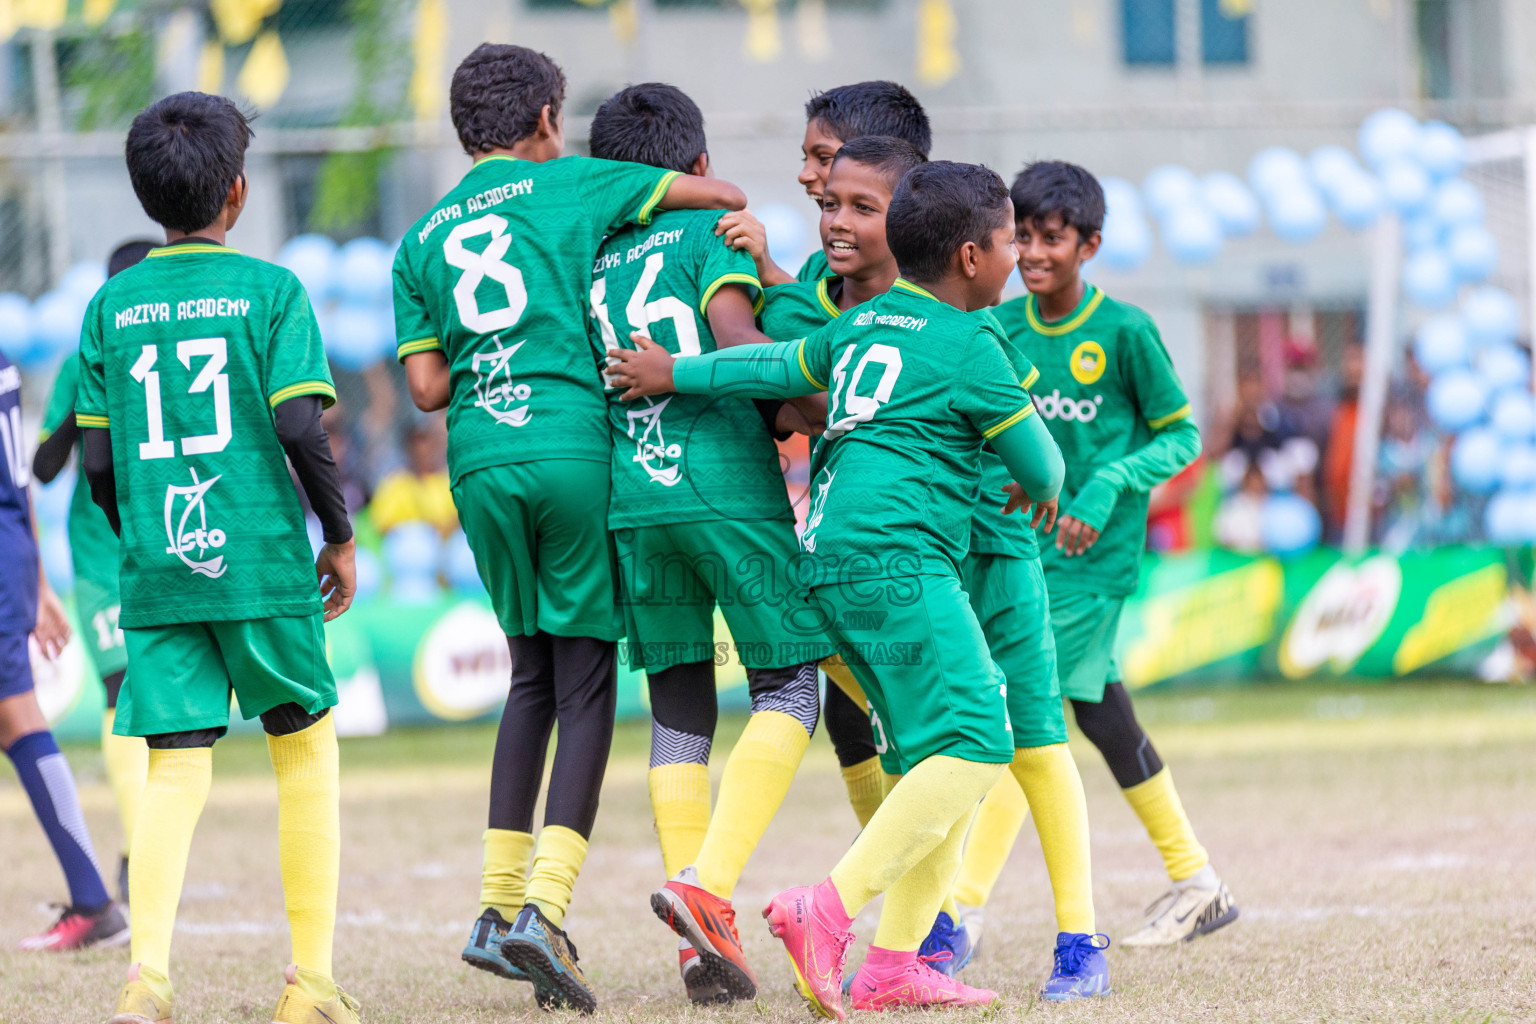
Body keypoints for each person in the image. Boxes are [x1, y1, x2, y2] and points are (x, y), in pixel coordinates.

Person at [609, 160, 1067, 1016]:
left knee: (943, 759)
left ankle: (894, 964)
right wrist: (1023, 456)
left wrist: (673, 373)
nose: (1020, 256)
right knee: (979, 744)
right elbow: (1044, 472)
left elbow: (768, 368)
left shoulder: (857, 327)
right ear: (971, 257)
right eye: (1011, 241)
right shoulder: (974, 343)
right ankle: (825, 909)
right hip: (902, 565)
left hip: (826, 561)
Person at [390, 44, 746, 1014]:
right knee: (587, 683)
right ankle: (542, 911)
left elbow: (424, 387)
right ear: (548, 118)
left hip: (479, 460)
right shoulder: (573, 184)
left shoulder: (419, 237)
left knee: (530, 677)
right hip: (571, 449)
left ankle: (492, 906)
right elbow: (718, 193)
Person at [78, 91, 360, 1024]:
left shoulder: (109, 305)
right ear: (237, 192)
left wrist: (146, 541)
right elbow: (297, 424)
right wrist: (340, 534)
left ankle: (147, 980)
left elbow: (98, 462)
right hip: (262, 561)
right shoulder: (271, 292)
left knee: (175, 765)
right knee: (303, 748)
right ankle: (311, 987)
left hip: (161, 567)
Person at [584, 81, 831, 1006]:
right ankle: (705, 888)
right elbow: (733, 337)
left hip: (634, 501)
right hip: (724, 487)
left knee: (680, 709)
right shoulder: (709, 235)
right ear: (696, 167)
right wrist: (793, 386)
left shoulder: (595, 253)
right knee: (791, 685)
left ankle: (696, 952)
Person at [983, 160, 1238, 947]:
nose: (1031, 253)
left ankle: (956, 911)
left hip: (1094, 564)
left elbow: (1184, 437)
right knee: (1098, 712)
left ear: (1089, 244)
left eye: (1050, 239)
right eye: (1020, 236)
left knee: (1017, 715)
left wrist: (1107, 485)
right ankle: (1198, 881)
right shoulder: (1002, 329)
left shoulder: (1125, 332)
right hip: (1021, 554)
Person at [758, 135, 925, 829]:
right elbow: (787, 399)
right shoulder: (812, 286)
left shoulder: (943, 299)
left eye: (821, 156)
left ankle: (950, 905)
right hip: (838, 540)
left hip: (925, 548)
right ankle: (905, 897)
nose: (807, 176)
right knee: (848, 710)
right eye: (829, 197)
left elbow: (829, 404)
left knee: (975, 729)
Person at [32, 239, 156, 906]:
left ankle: (148, 848)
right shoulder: (89, 359)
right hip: (109, 553)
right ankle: (139, 856)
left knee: (155, 699)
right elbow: (45, 468)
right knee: (121, 692)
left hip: (167, 540)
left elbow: (47, 468)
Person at [1, 349, 128, 953]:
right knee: (16, 717)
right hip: (20, 553)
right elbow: (25, 474)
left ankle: (97, 897)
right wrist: (39, 579)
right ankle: (94, 898)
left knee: (19, 716)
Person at [719, 80, 932, 288]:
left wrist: (772, 275)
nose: (804, 175)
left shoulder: (933, 276)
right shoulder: (819, 265)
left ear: (879, 155)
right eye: (805, 159)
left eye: (824, 158)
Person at [368, 414, 456, 535]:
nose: (422, 448)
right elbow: (383, 525)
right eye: (417, 441)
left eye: (427, 440)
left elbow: (461, 519)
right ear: (407, 446)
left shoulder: (450, 480)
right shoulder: (394, 483)